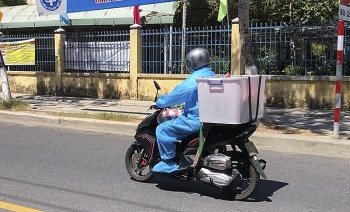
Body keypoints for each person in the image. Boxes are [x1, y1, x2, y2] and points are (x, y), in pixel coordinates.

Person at [152, 47, 216, 173]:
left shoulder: (196, 78)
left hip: (195, 119)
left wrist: (160, 102)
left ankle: (168, 163)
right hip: (209, 117)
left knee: (163, 129)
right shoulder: (212, 75)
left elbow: (177, 95)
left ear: (193, 62)